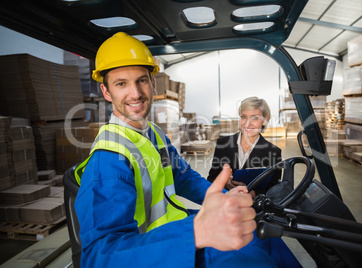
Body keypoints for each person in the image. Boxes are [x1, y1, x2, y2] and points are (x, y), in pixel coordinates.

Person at [74, 32, 300, 267]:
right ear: (107, 92)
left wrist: (225, 199)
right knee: (254, 261)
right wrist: (197, 232)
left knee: (262, 234)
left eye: (141, 80)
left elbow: (183, 177)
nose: (136, 93)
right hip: (158, 253)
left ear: (152, 83)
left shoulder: (152, 133)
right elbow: (97, 258)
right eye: (121, 84)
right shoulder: (108, 161)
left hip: (176, 231)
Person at [207, 97, 282, 196]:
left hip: (253, 208)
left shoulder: (273, 151)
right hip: (226, 203)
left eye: (254, 118)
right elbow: (211, 179)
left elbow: (275, 189)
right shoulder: (223, 144)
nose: (247, 123)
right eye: (243, 117)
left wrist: (253, 194)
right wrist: (224, 183)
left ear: (265, 120)